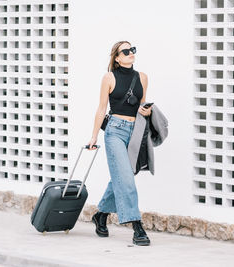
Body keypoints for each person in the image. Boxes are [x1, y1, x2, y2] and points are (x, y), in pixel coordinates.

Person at [87, 41, 152, 246]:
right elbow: (101, 109)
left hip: (135, 131)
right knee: (125, 177)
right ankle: (136, 224)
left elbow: (141, 105)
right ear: (116, 57)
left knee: (121, 176)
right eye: (126, 51)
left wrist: (146, 110)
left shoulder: (142, 77)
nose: (131, 53)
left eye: (133, 49)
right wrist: (94, 136)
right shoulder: (108, 77)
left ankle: (101, 215)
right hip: (115, 131)